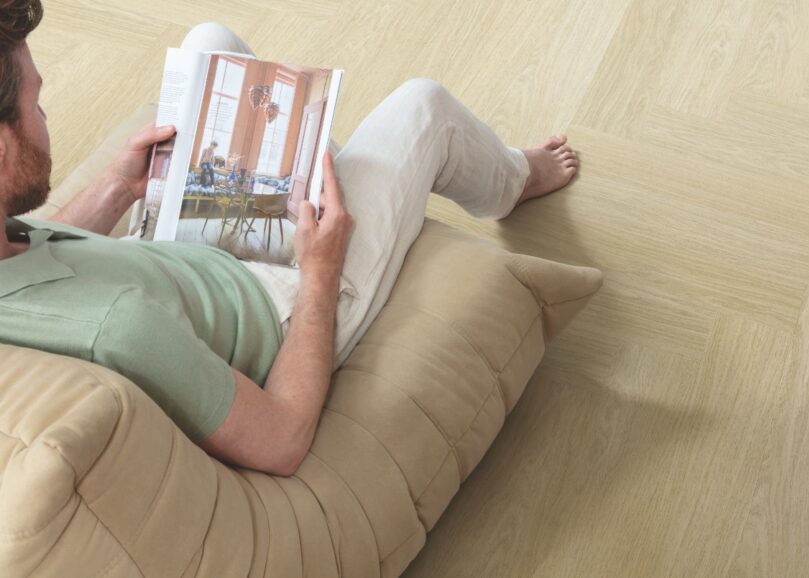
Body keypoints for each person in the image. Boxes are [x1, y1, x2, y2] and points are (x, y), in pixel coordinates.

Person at [0, 5, 579, 477]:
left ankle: (345, 168)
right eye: (35, 102)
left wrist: (120, 187)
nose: (46, 114)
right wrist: (322, 270)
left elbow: (46, 254)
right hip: (280, 307)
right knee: (425, 107)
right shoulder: (120, 329)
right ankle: (509, 183)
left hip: (167, 259)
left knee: (210, 40)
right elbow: (279, 440)